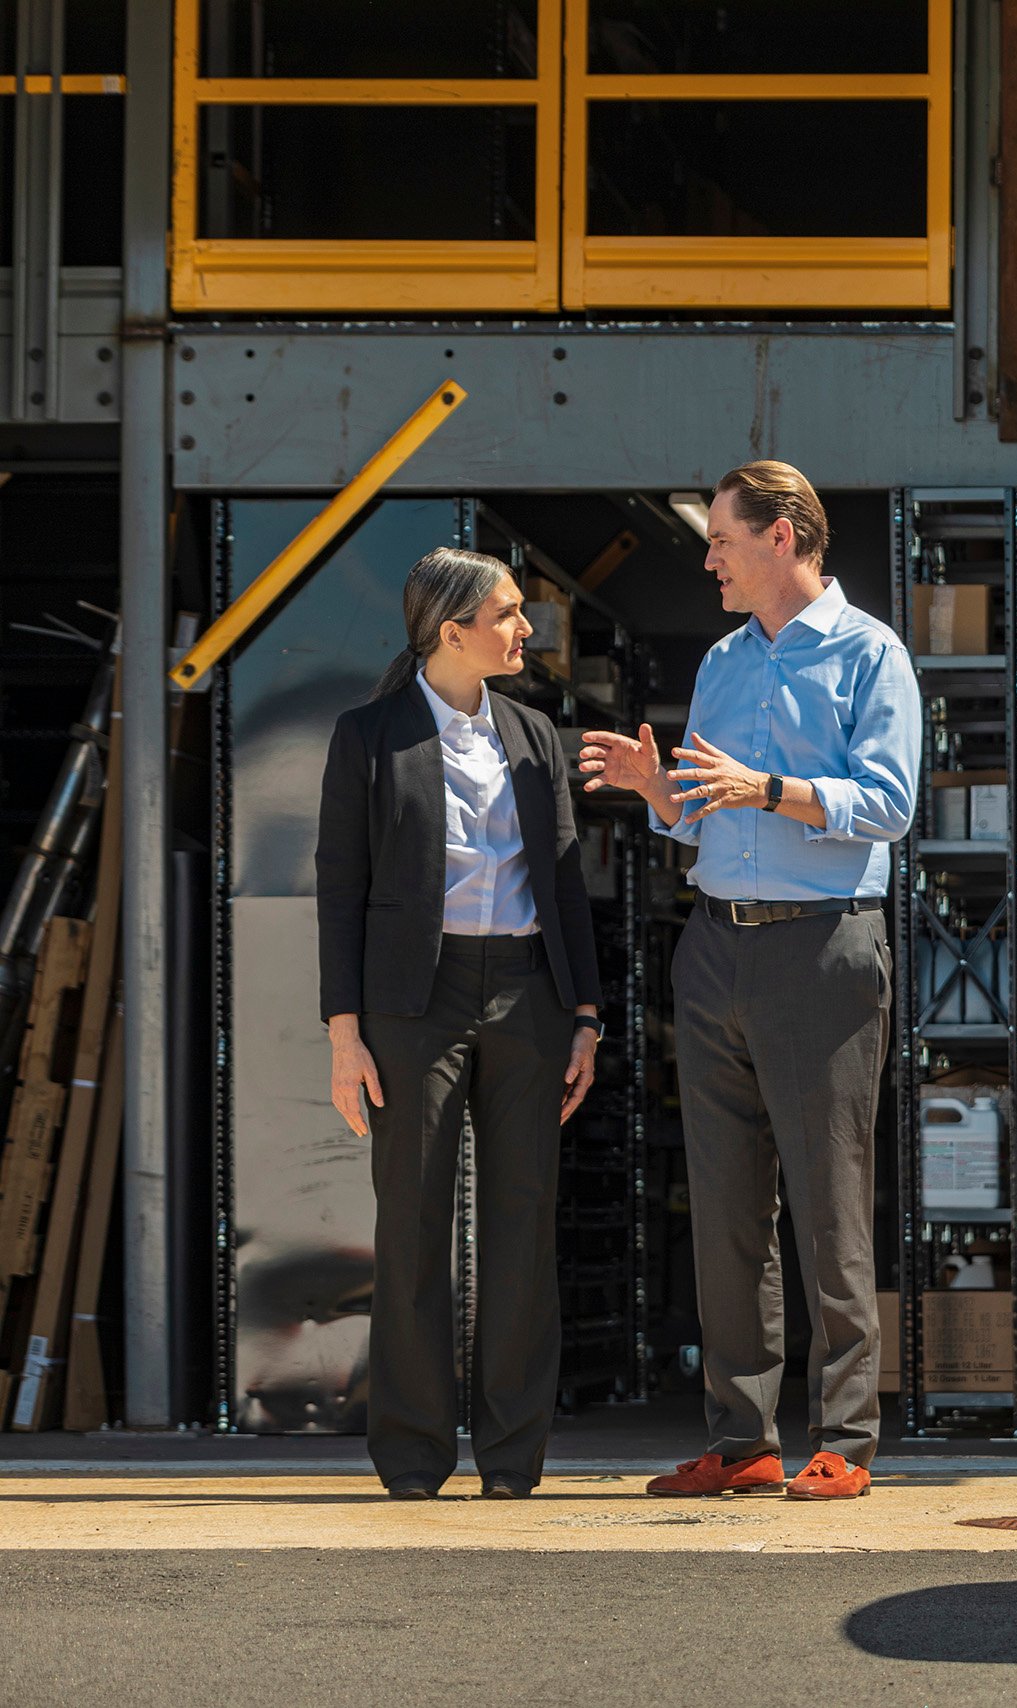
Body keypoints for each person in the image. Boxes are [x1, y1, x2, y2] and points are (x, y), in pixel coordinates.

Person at [580, 461, 920, 1501]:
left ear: (782, 537)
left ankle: (847, 1439)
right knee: (724, 1200)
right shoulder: (724, 660)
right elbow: (701, 806)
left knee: (827, 1196)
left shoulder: (872, 654)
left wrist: (766, 787)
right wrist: (658, 793)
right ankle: (742, 1440)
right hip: (716, 941)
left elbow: (890, 801)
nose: (709, 557)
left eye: (723, 538)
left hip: (823, 945)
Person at [316, 548, 604, 1500]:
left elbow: (564, 884)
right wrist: (343, 1034)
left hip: (529, 992)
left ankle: (514, 1460)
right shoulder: (369, 737)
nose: (527, 629)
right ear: (453, 631)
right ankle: (410, 1456)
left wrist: (587, 1018)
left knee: (522, 1231)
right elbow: (340, 892)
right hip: (411, 1003)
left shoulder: (534, 734)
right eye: (510, 613)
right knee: (411, 1224)